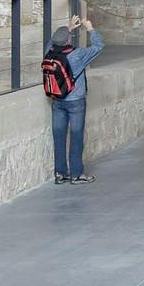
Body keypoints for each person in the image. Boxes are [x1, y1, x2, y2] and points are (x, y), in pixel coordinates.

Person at [41, 12, 103, 184]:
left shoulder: (49, 53)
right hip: (75, 101)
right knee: (76, 137)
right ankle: (76, 174)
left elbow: (51, 43)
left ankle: (60, 174)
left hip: (57, 100)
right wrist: (90, 28)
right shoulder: (77, 55)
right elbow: (98, 46)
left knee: (59, 137)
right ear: (68, 41)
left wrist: (67, 28)